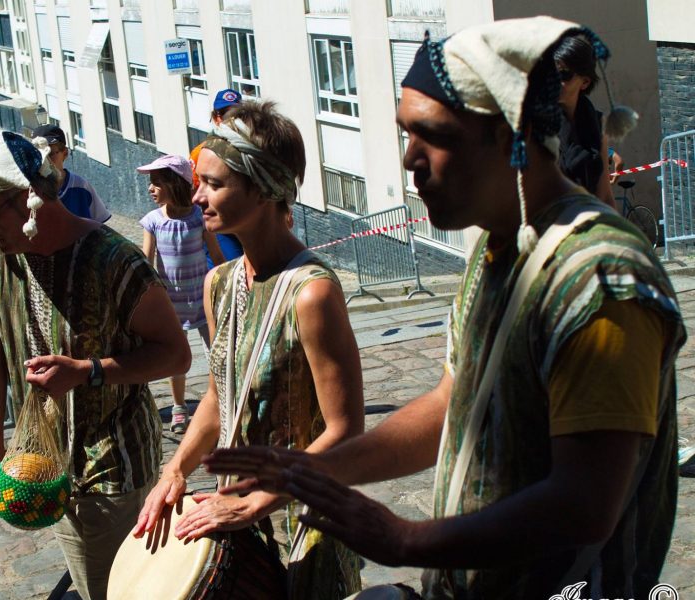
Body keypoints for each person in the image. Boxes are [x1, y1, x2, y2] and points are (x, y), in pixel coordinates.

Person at [205, 18, 685, 600]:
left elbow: (584, 505)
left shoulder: (601, 278)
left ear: (509, 135)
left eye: (430, 135)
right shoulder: (494, 246)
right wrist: (311, 473)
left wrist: (407, 539)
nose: (409, 160)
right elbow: (451, 402)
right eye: (406, 134)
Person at [133, 101, 366, 600]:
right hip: (240, 517)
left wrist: (259, 500)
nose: (197, 196)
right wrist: (174, 472)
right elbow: (220, 399)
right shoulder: (220, 284)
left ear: (262, 189)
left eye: (213, 184)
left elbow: (346, 430)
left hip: (305, 521)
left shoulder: (312, 293)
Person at [0, 130, 192, 600]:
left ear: (28, 201)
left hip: (114, 462)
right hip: (44, 463)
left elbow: (175, 353)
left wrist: (88, 371)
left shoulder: (115, 261)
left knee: (118, 590)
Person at [136, 154, 224, 433]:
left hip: (202, 301)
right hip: (171, 305)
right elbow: (146, 262)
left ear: (175, 184)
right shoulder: (153, 221)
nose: (150, 189)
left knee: (217, 352)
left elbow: (217, 255)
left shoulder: (198, 218)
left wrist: (226, 284)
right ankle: (178, 407)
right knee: (177, 358)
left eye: (156, 183)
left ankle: (221, 399)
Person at [555, 35, 615, 206]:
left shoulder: (598, 123)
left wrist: (617, 230)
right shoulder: (538, 122)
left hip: (588, 220)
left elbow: (604, 195)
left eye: (564, 75)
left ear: (585, 82)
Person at [191, 89, 245, 268]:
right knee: (229, 271)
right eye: (224, 114)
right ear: (216, 117)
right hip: (222, 228)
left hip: (248, 223)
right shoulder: (202, 153)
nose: (229, 120)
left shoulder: (252, 151)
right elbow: (194, 194)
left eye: (235, 114)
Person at [31, 124, 112, 223]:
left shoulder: (81, 186)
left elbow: (100, 223)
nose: (45, 160)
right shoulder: (30, 192)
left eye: (50, 154)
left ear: (65, 153)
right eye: (39, 154)